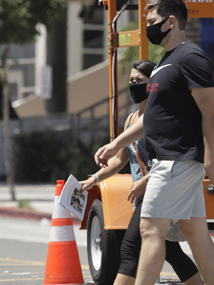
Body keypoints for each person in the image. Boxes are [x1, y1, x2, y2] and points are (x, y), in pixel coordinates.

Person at [94, 0, 214, 285]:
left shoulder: (191, 57)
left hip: (176, 161)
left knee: (150, 230)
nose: (148, 27)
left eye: (152, 21)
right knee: (196, 234)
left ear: (171, 22)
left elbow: (211, 113)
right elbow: (151, 118)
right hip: (174, 162)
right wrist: (116, 144)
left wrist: (210, 162)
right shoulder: (164, 63)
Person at [81, 60, 202, 285]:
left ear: (153, 84)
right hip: (144, 196)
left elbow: (171, 158)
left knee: (129, 250)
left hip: (158, 189)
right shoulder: (131, 119)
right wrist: (94, 179)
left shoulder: (164, 117)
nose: (133, 85)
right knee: (172, 252)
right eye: (131, 81)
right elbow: (119, 160)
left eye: (139, 81)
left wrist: (145, 182)